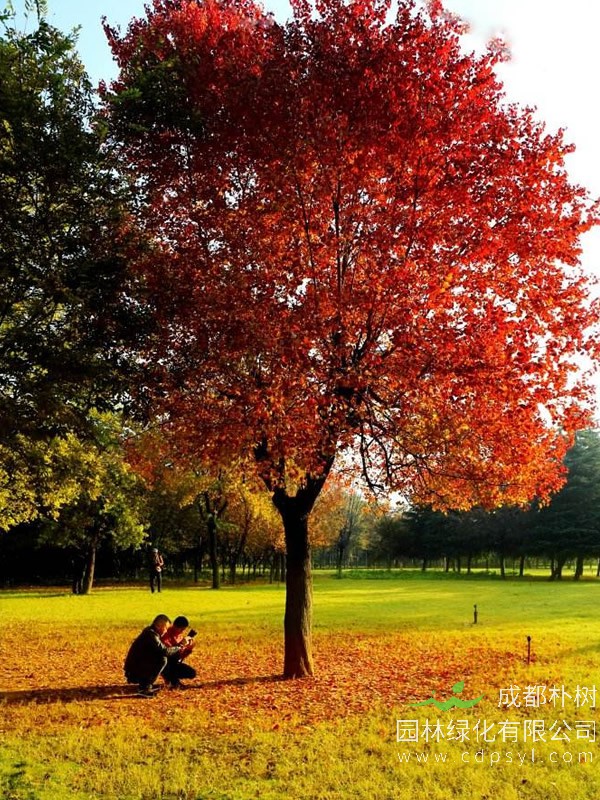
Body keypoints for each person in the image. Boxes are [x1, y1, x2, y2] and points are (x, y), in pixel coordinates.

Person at [124, 614, 183, 697]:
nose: (166, 631)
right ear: (159, 626)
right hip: (134, 671)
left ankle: (170, 682)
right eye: (166, 628)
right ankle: (144, 688)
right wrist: (179, 647)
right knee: (162, 659)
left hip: (136, 667)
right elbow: (164, 651)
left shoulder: (151, 633)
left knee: (163, 658)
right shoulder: (150, 635)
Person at [161, 615, 197, 688]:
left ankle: (172, 679)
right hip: (165, 663)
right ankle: (172, 680)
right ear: (175, 626)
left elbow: (180, 656)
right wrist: (180, 644)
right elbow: (168, 652)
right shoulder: (166, 634)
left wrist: (188, 649)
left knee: (192, 673)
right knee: (172, 661)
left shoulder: (179, 636)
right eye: (181, 629)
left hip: (174, 663)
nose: (182, 631)